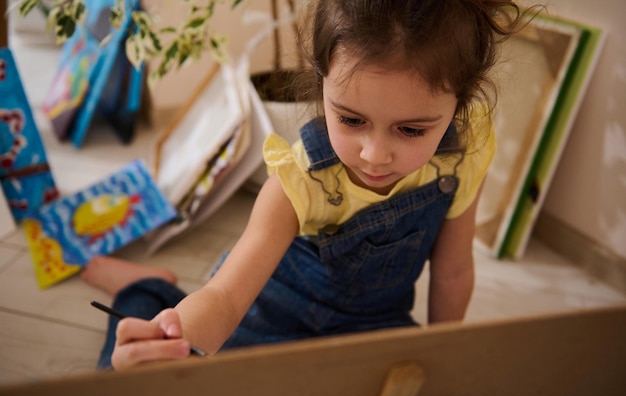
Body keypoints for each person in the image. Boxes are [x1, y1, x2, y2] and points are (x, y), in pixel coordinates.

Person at [83, 0, 537, 370]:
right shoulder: (297, 178)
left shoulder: (466, 149)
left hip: (373, 324)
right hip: (265, 312)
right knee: (135, 386)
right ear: (321, 83)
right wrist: (172, 340)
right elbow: (225, 296)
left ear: (461, 102)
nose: (374, 155)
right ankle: (146, 289)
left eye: (411, 130)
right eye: (351, 119)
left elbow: (454, 270)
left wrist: (443, 357)